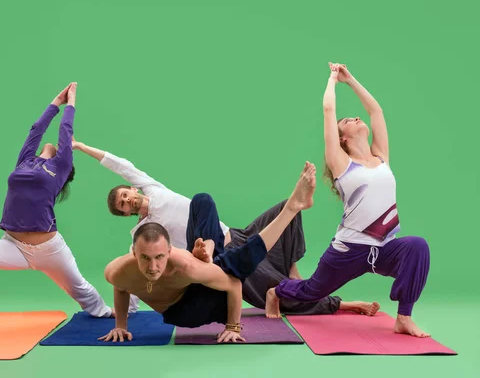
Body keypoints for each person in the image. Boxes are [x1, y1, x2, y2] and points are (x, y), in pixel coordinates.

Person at [74, 142, 378, 317]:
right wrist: (126, 312)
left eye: (126, 194)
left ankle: (293, 272)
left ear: (132, 188)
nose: (128, 200)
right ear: (126, 214)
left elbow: (120, 164)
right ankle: (344, 305)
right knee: (275, 292)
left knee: (286, 210)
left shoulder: (151, 187)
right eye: (123, 205)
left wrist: (79, 146)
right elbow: (139, 272)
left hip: (236, 233)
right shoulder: (143, 233)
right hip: (220, 254)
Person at [0, 83, 113, 344]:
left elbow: (65, 130)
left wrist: (72, 104)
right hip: (14, 247)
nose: (57, 145)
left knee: (82, 290)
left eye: (62, 148)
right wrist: (55, 103)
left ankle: (107, 310)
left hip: (49, 249)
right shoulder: (25, 160)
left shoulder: (59, 167)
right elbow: (36, 130)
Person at [99, 162, 340, 344]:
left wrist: (233, 327)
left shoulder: (184, 263)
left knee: (204, 204)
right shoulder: (118, 269)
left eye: (159, 257)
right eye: (145, 258)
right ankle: (288, 210)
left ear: (170, 250)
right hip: (186, 313)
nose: (153, 267)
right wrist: (121, 325)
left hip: (206, 277)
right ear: (134, 254)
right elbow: (121, 286)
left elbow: (234, 284)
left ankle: (287, 210)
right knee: (231, 262)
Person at [273, 63, 431, 338]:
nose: (356, 118)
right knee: (311, 292)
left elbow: (376, 111)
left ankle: (404, 318)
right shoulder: (341, 163)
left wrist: (351, 80)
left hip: (385, 248)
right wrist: (333, 80)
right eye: (347, 121)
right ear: (341, 138)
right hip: (349, 249)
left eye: (355, 117)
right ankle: (276, 291)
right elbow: (328, 110)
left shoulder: (381, 157)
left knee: (417, 247)